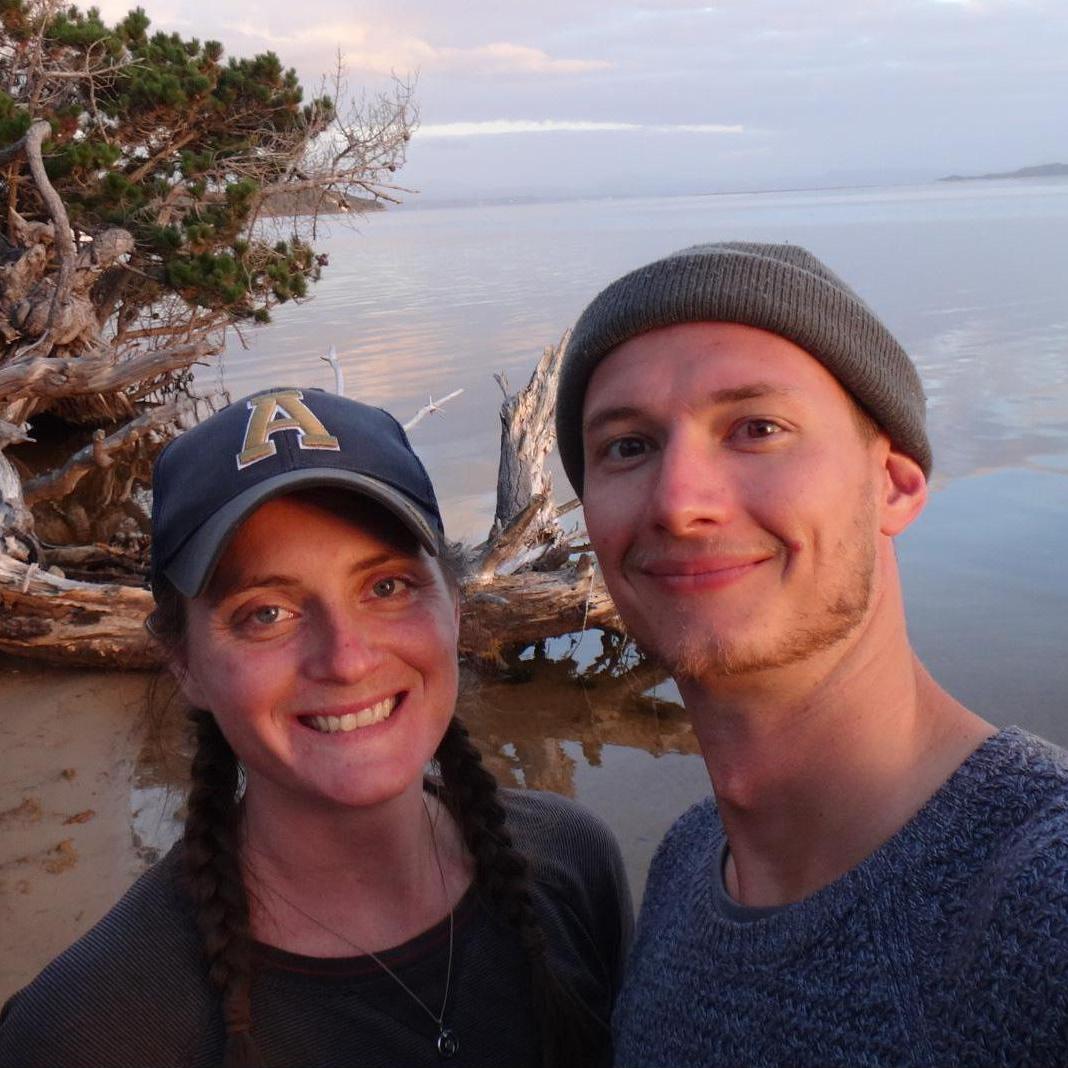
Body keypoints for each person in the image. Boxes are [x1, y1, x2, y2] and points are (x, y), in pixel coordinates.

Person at [0, 386, 632, 1068]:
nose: (347, 658)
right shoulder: (89, 1031)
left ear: (454, 606)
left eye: (385, 587)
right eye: (265, 613)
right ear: (184, 664)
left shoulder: (571, 864)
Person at [554, 242, 1068, 1067]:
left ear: (894, 484)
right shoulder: (691, 864)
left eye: (757, 429)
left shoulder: (1039, 899)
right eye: (627, 446)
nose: (680, 502)